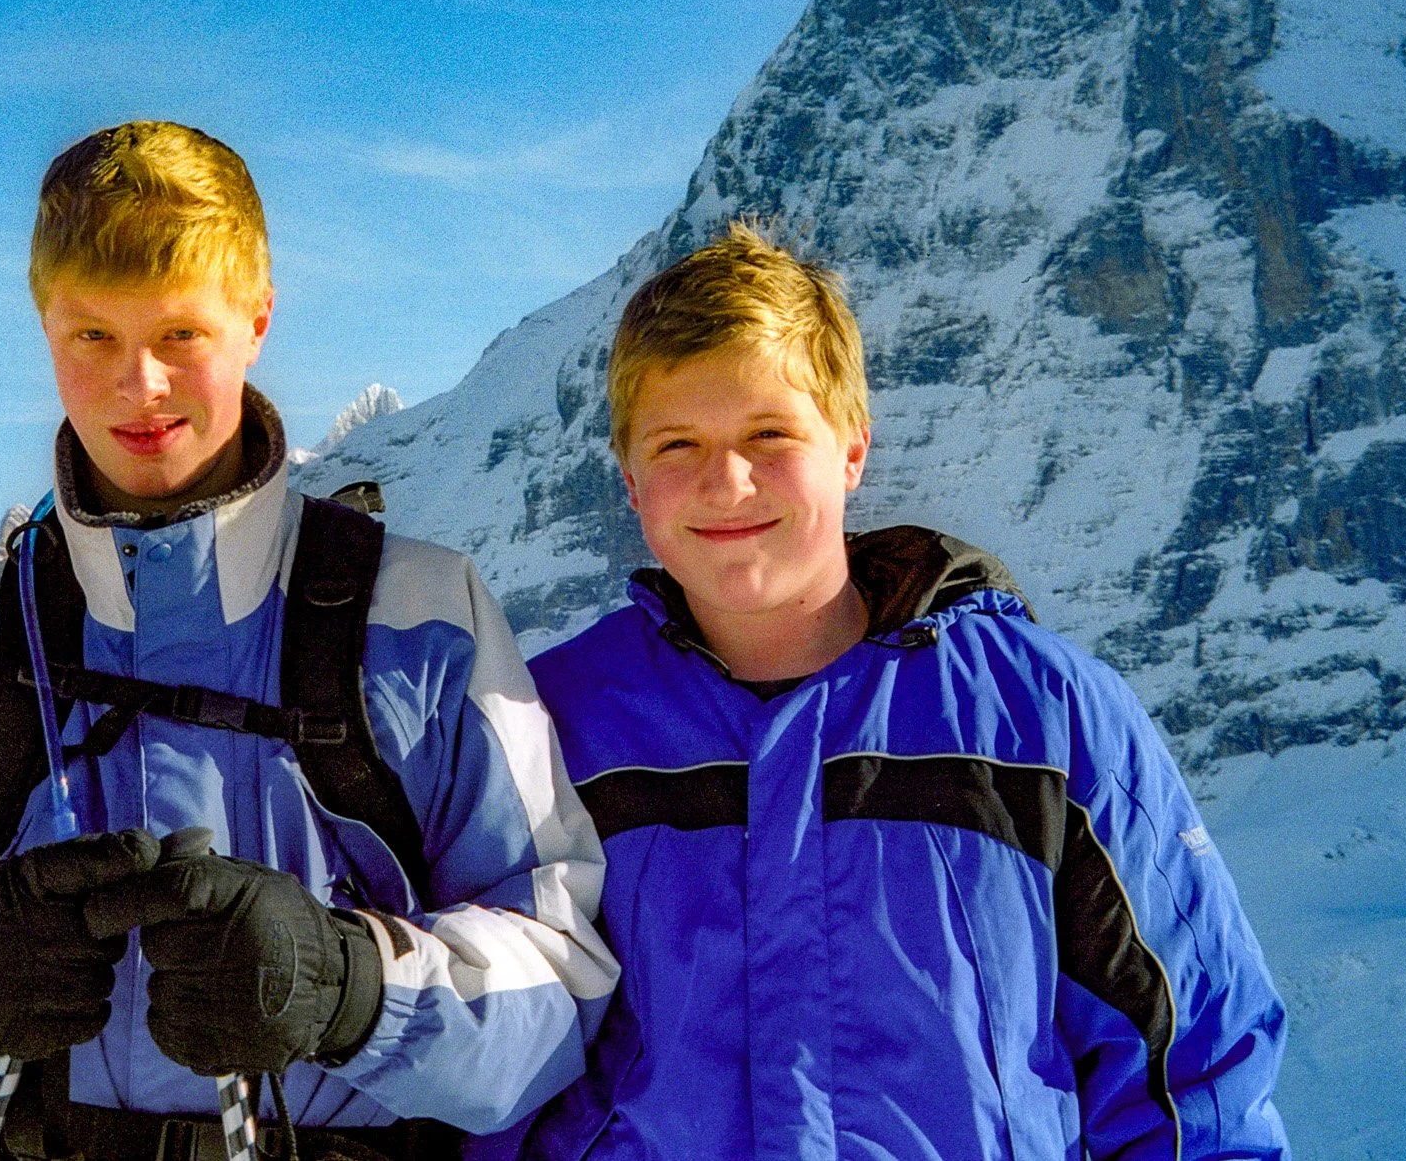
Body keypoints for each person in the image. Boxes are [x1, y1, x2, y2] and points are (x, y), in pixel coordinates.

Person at [0, 122, 616, 1161]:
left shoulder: (421, 624)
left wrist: (347, 986)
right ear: (43, 330)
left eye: (180, 336)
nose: (137, 385)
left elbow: (562, 990)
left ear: (256, 320)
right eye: (91, 336)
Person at [511, 222, 1289, 1161]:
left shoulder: (1043, 720)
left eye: (771, 433)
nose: (727, 480)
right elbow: (484, 1063)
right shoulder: (549, 725)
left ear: (851, 451)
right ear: (630, 480)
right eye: (677, 443)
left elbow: (1190, 1079)